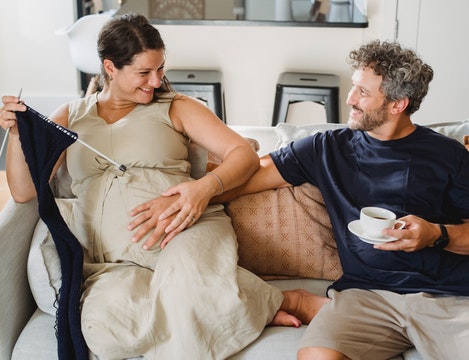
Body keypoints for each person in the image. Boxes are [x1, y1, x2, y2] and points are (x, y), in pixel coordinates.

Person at [0, 13, 325, 360]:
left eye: (159, 69)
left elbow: (242, 154)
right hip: (111, 260)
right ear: (110, 68)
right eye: (144, 72)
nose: (156, 81)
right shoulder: (72, 115)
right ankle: (257, 302)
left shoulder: (176, 107)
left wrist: (203, 189)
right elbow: (24, 192)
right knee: (101, 327)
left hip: (180, 231)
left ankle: (266, 301)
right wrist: (18, 136)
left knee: (187, 288)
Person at [209, 40, 469, 360]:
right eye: (354, 87)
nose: (350, 99)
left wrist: (436, 234)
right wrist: (198, 192)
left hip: (450, 296)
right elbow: (248, 175)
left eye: (363, 93)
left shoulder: (448, 155)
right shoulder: (326, 148)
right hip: (366, 295)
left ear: (398, 104)